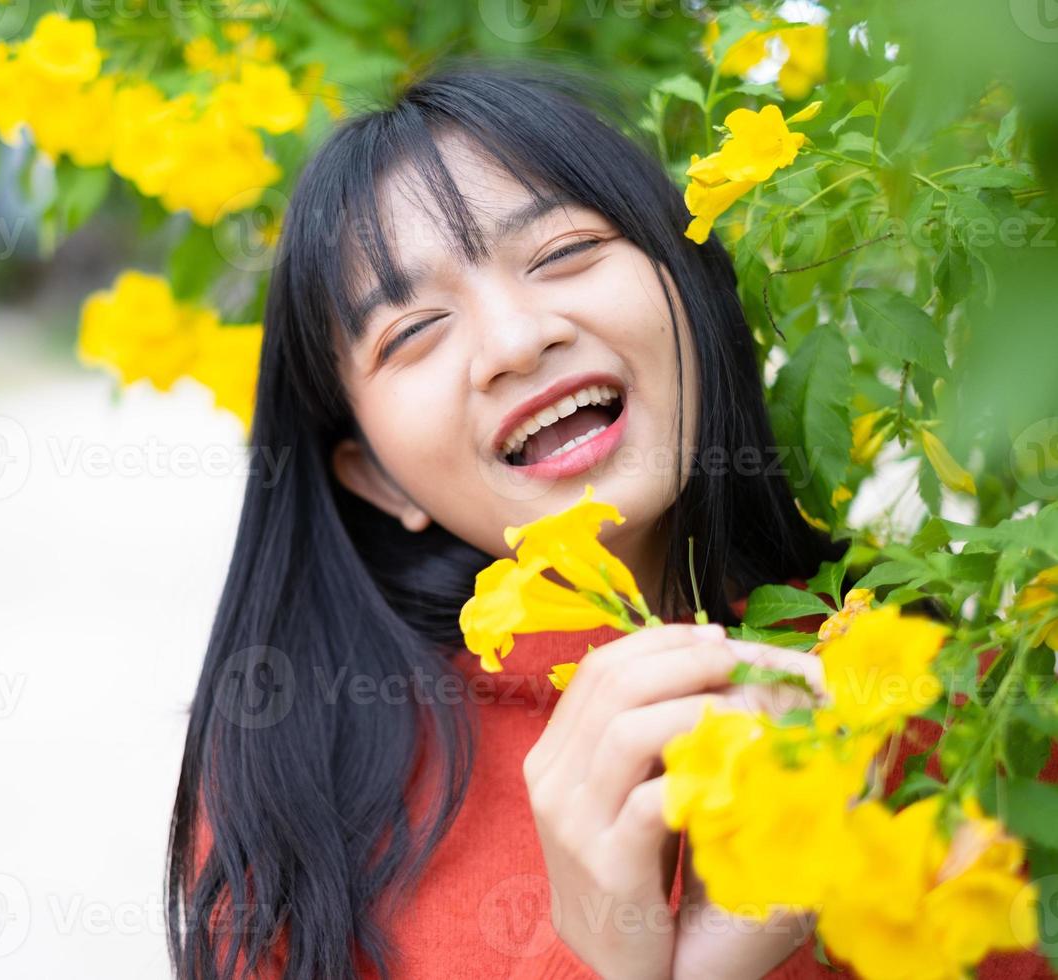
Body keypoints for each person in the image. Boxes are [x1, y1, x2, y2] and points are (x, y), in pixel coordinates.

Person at [162, 61, 1047, 979]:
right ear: (379, 481)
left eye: (562, 253)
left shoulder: (972, 704)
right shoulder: (294, 777)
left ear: (692, 285)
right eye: (413, 332)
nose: (514, 342)